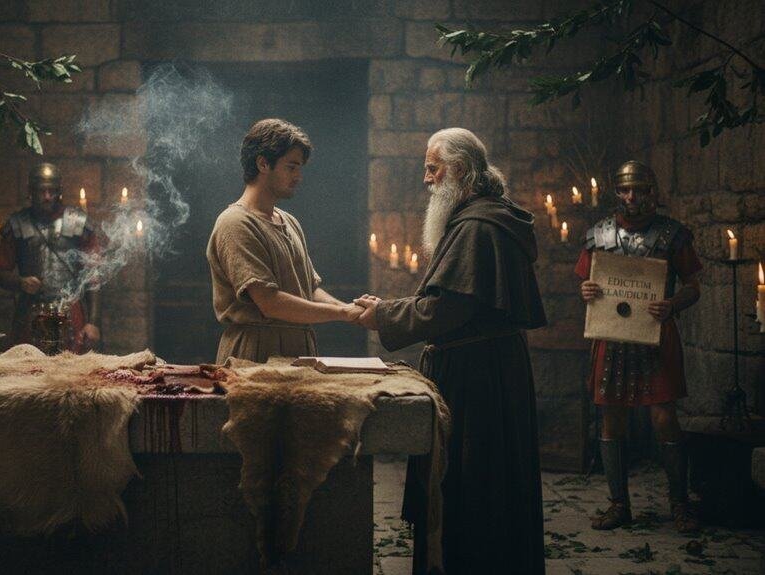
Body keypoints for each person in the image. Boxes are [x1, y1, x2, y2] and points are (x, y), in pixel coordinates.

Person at [354, 128, 547, 574]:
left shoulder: (479, 226)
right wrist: (386, 311)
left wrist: (384, 314)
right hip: (488, 367)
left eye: (432, 167)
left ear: (459, 170)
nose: (426, 178)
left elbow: (450, 309)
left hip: (478, 376)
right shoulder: (483, 218)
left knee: (473, 482)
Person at [577, 160, 702, 533]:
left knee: (664, 418)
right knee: (611, 418)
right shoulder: (598, 234)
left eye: (640, 190)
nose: (632, 197)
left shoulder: (672, 235)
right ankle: (619, 505)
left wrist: (673, 304)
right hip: (612, 337)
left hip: (655, 337)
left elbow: (693, 285)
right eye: (625, 190)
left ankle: (680, 504)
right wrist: (586, 291)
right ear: (617, 193)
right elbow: (587, 281)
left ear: (653, 192)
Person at [206, 118, 362, 363]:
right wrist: (343, 312)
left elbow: (309, 290)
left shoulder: (289, 222)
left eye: (299, 168)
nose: (299, 176)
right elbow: (270, 302)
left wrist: (354, 310)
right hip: (256, 355)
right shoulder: (235, 223)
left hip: (299, 351)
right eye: (291, 167)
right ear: (263, 163)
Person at [0, 162, 101, 354]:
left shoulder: (78, 223)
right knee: (28, 373)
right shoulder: (17, 224)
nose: (47, 197)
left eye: (51, 191)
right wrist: (20, 282)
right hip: (30, 312)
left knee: (72, 376)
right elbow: (1, 274)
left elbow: (92, 275)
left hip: (71, 312)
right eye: (41, 191)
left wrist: (92, 322)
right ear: (31, 192)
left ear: (59, 191)